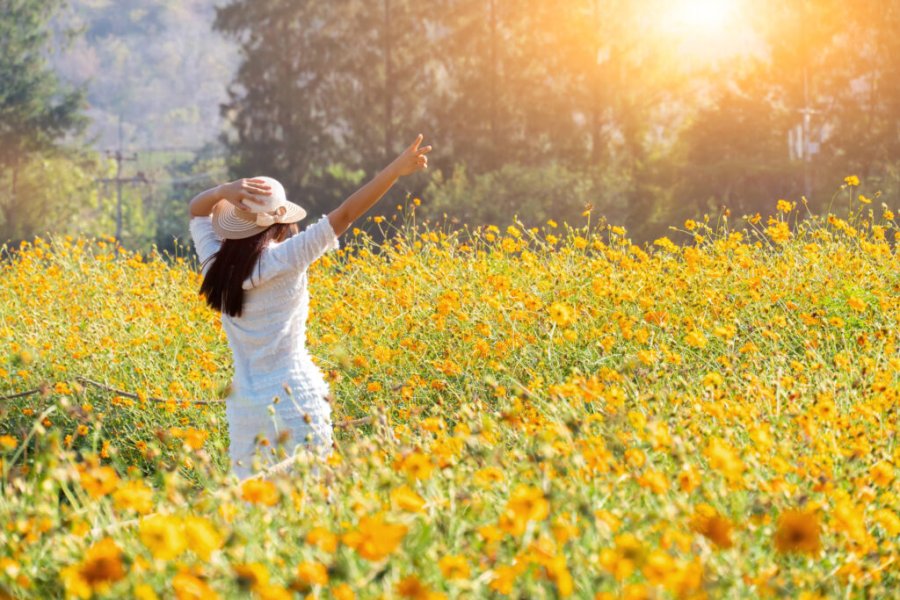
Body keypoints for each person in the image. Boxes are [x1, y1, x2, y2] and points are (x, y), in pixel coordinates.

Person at [188, 134, 432, 481]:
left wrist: (222, 191)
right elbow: (347, 213)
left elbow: (196, 210)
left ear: (235, 222)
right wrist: (396, 169)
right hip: (295, 401)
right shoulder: (288, 257)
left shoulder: (215, 265)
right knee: (311, 506)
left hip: (246, 410)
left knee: (253, 513)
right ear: (280, 220)